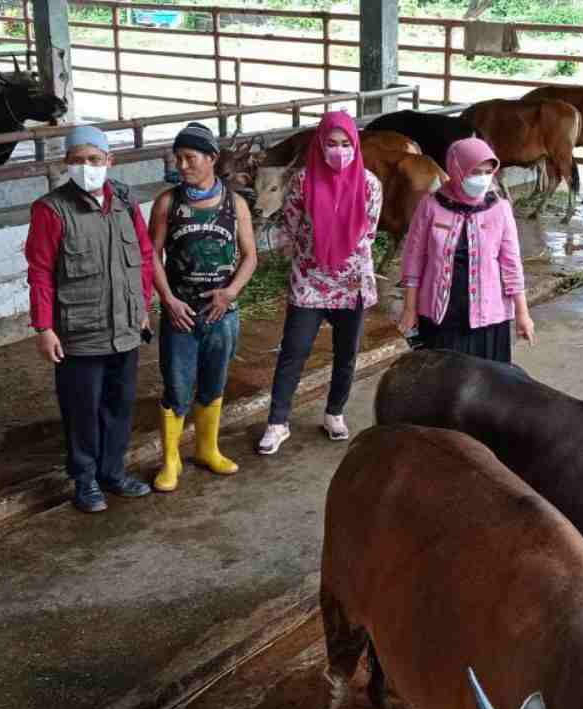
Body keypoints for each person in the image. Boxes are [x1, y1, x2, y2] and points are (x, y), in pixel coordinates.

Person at [24, 126, 156, 513]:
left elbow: (145, 257)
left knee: (120, 405)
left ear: (109, 161)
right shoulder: (51, 209)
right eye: (78, 160)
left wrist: (142, 307)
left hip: (126, 326)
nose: (87, 167)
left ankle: (113, 473)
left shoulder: (126, 202)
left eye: (94, 159)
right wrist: (44, 327)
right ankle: (85, 482)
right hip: (79, 330)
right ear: (66, 163)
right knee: (81, 409)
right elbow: (40, 271)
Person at [257, 110, 381, 456]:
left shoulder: (370, 184)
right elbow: (291, 227)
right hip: (309, 280)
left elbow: (369, 231)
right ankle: (277, 422)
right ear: (320, 144)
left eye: (345, 143)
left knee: (347, 353)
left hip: (351, 281)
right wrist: (316, 252)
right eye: (332, 143)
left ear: (355, 145)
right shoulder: (302, 181)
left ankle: (334, 413)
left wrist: (338, 248)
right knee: (293, 351)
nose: (339, 150)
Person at [149, 122, 258, 492]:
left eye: (189, 158)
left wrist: (230, 293)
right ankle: (170, 459)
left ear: (211, 158)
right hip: (180, 313)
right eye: (177, 158)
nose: (182, 166)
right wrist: (168, 299)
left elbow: (250, 257)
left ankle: (207, 449)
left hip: (221, 313)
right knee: (177, 387)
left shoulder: (234, 204)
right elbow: (152, 255)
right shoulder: (168, 203)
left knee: (213, 383)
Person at [396, 137, 535, 361]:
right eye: (475, 172)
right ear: (457, 169)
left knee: (487, 379)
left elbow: (511, 265)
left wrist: (522, 313)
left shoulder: (500, 209)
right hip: (441, 317)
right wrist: (410, 309)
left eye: (487, 172)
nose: (482, 179)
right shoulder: (431, 206)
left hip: (488, 319)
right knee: (443, 378)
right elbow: (414, 261)